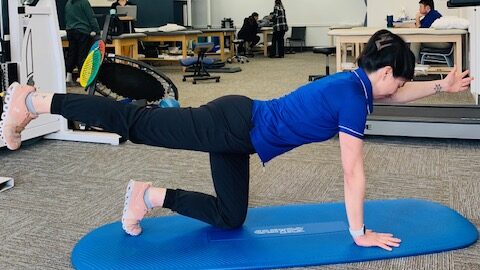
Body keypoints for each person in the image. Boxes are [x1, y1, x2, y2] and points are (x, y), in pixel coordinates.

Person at [0, 30, 473, 251]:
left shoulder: (358, 81)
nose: (395, 89)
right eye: (398, 81)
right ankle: (37, 101)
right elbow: (352, 170)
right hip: (230, 124)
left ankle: (147, 195)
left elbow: (390, 96)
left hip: (240, 134)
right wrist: (358, 233)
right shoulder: (354, 97)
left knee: (231, 217)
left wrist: (439, 86)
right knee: (136, 123)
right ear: (385, 72)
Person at [64, 0, 101, 87]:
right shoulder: (84, 2)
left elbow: (66, 17)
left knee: (71, 54)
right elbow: (91, 17)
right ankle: (81, 78)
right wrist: (97, 30)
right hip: (82, 31)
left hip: (70, 31)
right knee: (82, 55)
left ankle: (68, 77)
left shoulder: (68, 3)